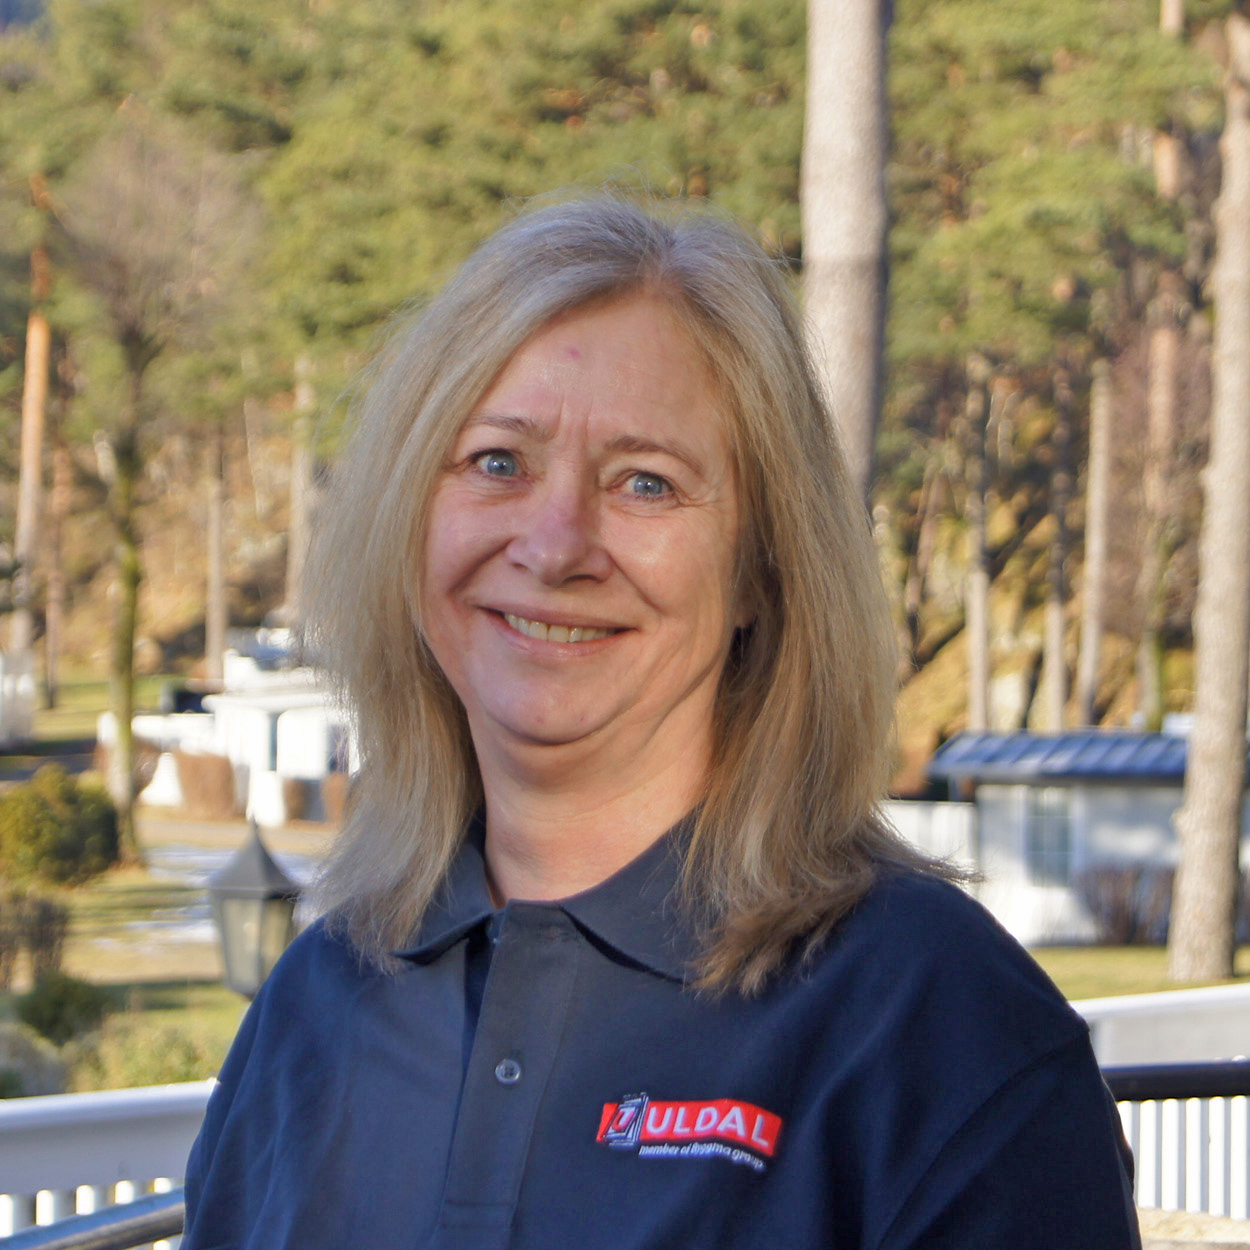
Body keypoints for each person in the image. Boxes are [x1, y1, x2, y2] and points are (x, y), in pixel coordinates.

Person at [183, 196, 1141, 1249]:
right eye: (497, 462)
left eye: (645, 482)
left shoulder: (937, 1024)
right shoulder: (315, 1005)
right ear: (409, 514)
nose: (555, 546)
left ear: (760, 570)